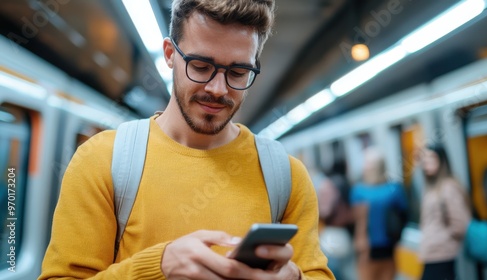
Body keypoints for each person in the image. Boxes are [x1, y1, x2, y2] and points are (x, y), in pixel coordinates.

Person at [38, 0, 334, 279]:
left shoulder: (286, 175)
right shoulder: (102, 160)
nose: (218, 89)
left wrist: (293, 276)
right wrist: (159, 266)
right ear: (170, 54)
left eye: (238, 72)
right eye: (201, 66)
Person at [350, 147, 407, 280]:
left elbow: (403, 215)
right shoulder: (359, 190)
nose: (364, 166)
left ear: (378, 166)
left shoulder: (392, 189)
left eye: (368, 163)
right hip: (367, 251)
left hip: (387, 249)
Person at [418, 144, 470, 280]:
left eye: (431, 158)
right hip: (431, 254)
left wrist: (441, 239)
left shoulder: (448, 187)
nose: (426, 163)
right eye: (424, 159)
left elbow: (460, 224)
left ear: (442, 161)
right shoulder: (431, 187)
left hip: (441, 254)